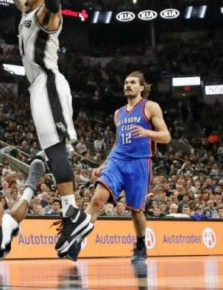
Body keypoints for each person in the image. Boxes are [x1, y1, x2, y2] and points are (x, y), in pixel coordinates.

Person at [0, 0, 92, 259]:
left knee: (56, 149)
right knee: (51, 151)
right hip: (37, 88)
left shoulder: (49, 16)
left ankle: (72, 213)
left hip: (50, 82)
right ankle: (71, 214)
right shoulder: (27, 13)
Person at [68, 71, 170, 263]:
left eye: (132, 82)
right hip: (117, 161)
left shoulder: (150, 107)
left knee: (135, 211)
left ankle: (140, 244)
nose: (128, 85)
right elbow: (118, 142)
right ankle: (77, 241)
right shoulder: (119, 113)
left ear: (141, 87)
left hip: (140, 162)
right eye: (125, 82)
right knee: (97, 200)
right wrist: (104, 164)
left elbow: (166, 136)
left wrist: (147, 132)